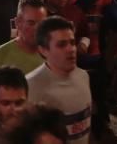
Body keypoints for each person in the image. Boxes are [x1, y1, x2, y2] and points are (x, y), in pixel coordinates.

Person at [25, 16, 91, 144]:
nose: (71, 49)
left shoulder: (83, 76)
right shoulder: (32, 86)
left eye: (72, 42)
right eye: (61, 45)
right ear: (43, 50)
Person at [0, 0, 45, 100]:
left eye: (41, 23)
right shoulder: (0, 55)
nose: (37, 28)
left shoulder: (53, 53)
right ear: (18, 23)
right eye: (31, 23)